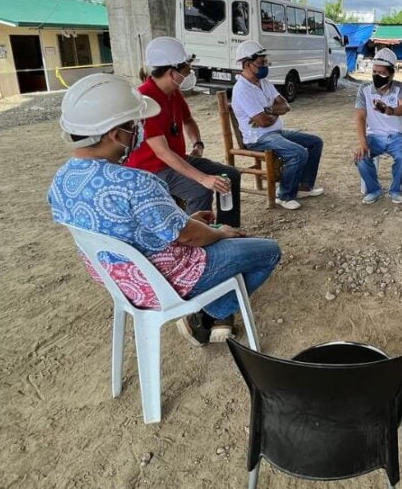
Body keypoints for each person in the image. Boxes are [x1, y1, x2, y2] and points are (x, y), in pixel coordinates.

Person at [49, 73, 282, 346]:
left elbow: (125, 227)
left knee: (210, 234)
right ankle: (212, 310)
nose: (138, 131)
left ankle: (209, 311)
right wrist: (221, 233)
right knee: (268, 251)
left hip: (120, 282)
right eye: (134, 126)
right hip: (164, 281)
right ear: (115, 135)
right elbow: (191, 237)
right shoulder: (136, 181)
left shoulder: (61, 181)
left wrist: (185, 220)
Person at [124, 36, 242, 228]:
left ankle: (226, 228)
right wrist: (203, 178)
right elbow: (162, 152)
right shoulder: (145, 100)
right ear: (172, 72)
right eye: (187, 70)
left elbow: (188, 121)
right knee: (200, 190)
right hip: (153, 170)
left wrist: (198, 144)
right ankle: (193, 239)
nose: (190, 74)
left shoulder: (173, 92)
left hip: (176, 160)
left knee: (229, 175)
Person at [230, 40, 325, 210]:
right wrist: (273, 112)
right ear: (247, 63)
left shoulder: (264, 83)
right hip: (258, 138)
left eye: (265, 61)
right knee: (298, 153)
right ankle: (285, 195)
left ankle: (303, 187)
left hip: (275, 132)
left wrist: (268, 110)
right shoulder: (242, 89)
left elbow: (286, 105)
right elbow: (263, 122)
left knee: (315, 142)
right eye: (261, 62)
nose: (265, 65)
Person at [354, 48, 402, 204]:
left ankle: (395, 190)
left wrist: (388, 110)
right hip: (374, 136)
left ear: (392, 74)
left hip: (397, 136)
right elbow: (360, 117)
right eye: (374, 71)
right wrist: (363, 142)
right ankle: (374, 190)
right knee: (360, 157)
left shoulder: (401, 88)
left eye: (382, 73)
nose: (377, 76)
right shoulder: (364, 90)